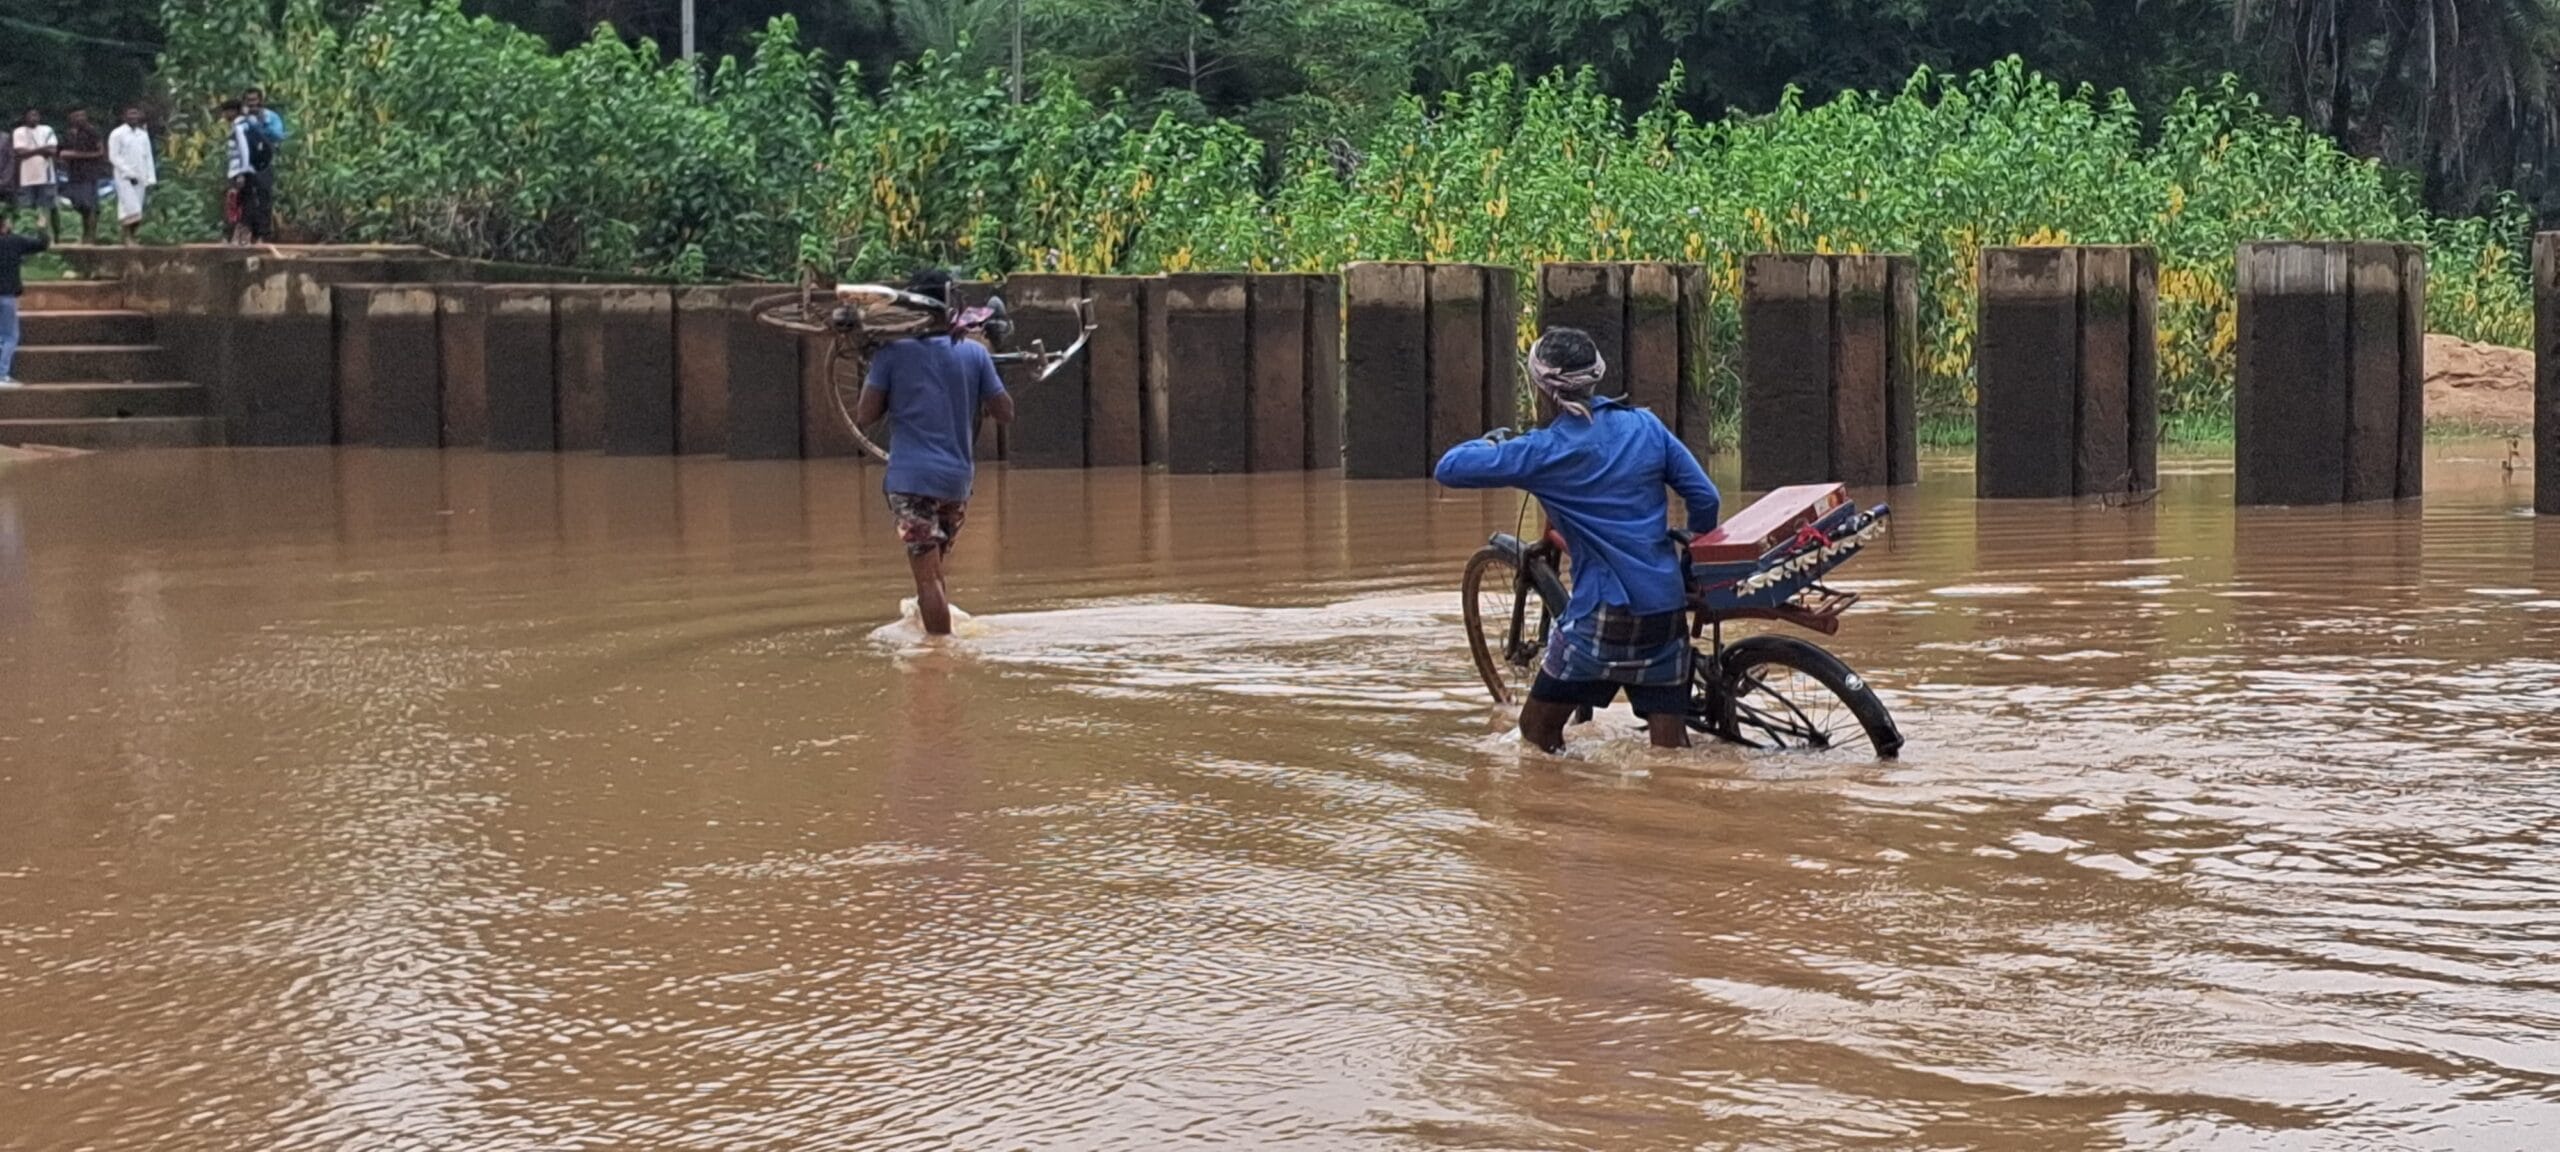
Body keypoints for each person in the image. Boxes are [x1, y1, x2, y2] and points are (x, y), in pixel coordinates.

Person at [1434, 327, 1723, 753]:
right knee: (1670, 751)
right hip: (1665, 608)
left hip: (1604, 616)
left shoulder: (1542, 451)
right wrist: (1688, 566)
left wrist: (1495, 440)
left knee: (1535, 733)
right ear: (1596, 376)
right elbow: (1705, 498)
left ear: (1541, 389)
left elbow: (1449, 468)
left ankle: (1568, 812)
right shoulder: (1646, 426)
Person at [851, 268, 1014, 636]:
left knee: (928, 582)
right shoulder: (975, 354)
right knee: (935, 572)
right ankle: (934, 636)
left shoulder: (892, 354)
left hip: (910, 481)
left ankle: (937, 659)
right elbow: (1005, 412)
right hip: (955, 483)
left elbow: (864, 415)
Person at [0, 212, 50, 387]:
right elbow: (42, 244)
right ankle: (2, 374)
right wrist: (42, 227)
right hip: (7, 295)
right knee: (9, 336)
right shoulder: (14, 241)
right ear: (4, 226)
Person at [57, 109, 108, 245]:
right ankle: (86, 234)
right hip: (73, 174)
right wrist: (65, 158)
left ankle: (90, 236)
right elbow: (61, 153)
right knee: (78, 204)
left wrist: (76, 155)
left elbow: (100, 152)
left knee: (89, 205)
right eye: (76, 115)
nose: (80, 118)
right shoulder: (69, 134)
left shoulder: (92, 132)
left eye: (82, 115)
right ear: (70, 118)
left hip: (89, 173)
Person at [108, 107, 155, 246]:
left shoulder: (142, 134)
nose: (133, 116)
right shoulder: (117, 134)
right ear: (124, 116)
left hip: (141, 176)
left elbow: (148, 156)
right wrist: (129, 172)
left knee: (138, 208)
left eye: (136, 114)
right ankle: (127, 236)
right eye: (130, 114)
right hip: (124, 177)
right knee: (129, 207)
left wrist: (150, 177)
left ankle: (132, 236)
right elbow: (114, 156)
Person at [241, 88, 283, 240]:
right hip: (245, 163)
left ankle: (264, 233)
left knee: (264, 195)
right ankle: (248, 232)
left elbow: (278, 135)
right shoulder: (241, 119)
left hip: (265, 161)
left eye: (255, 102)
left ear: (261, 101)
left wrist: (260, 124)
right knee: (246, 197)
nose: (253, 107)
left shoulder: (271, 117)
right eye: (249, 103)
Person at [11, 109, 60, 236]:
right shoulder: (19, 132)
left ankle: (54, 236)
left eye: (36, 115)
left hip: (46, 176)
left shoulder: (47, 129)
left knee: (49, 207)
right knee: (27, 208)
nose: (34, 117)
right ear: (25, 117)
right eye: (31, 115)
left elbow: (53, 150)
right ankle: (29, 235)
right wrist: (42, 149)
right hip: (27, 177)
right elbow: (20, 153)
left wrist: (31, 151)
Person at [219, 99, 257, 244]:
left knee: (240, 202)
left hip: (240, 170)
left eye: (226, 111)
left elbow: (244, 149)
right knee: (240, 201)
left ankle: (243, 234)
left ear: (233, 112)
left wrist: (242, 172)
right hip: (242, 169)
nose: (224, 115)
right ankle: (239, 234)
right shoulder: (245, 124)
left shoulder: (240, 127)